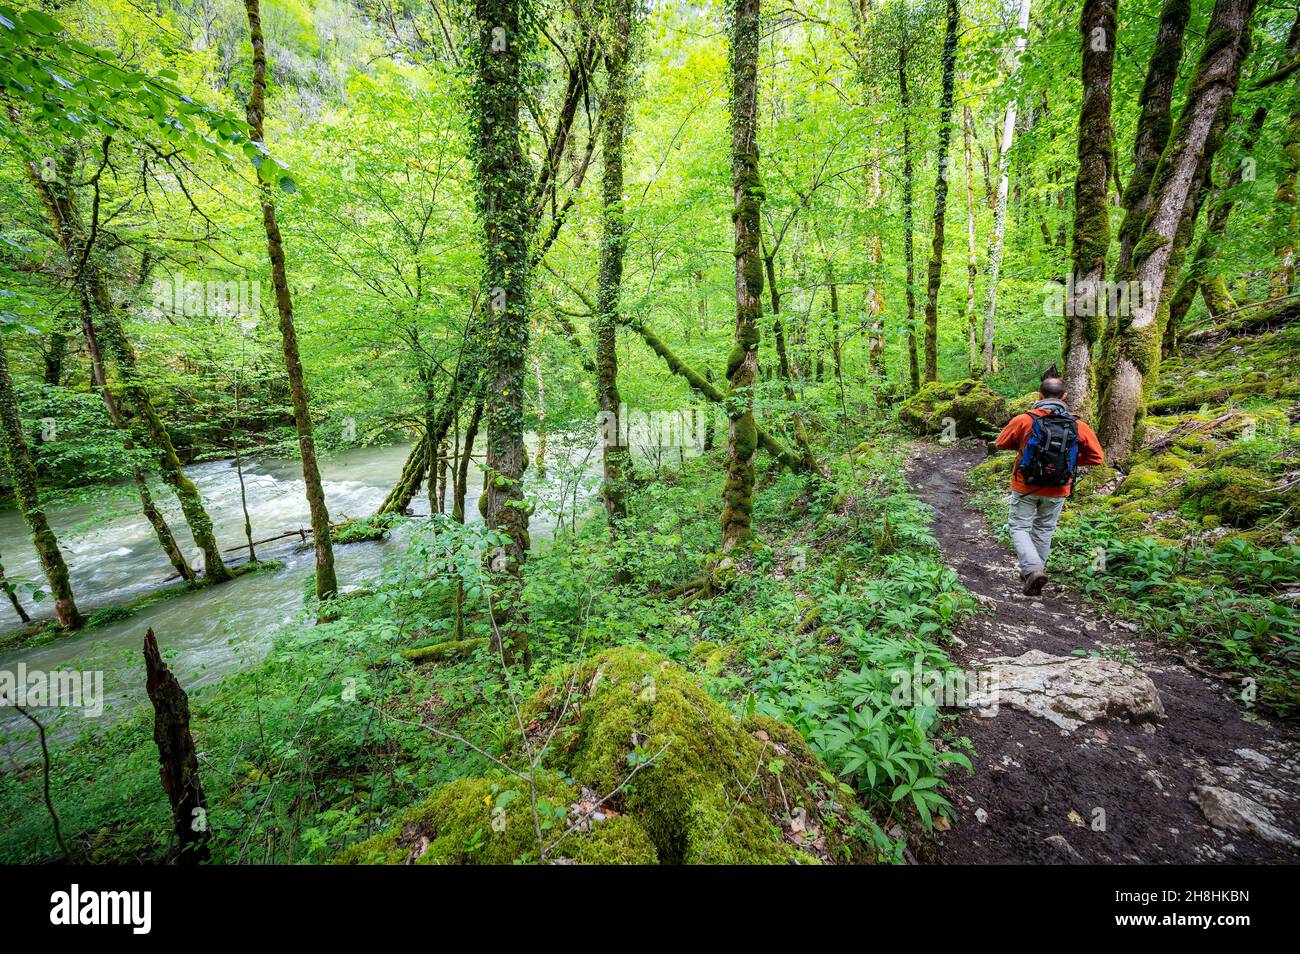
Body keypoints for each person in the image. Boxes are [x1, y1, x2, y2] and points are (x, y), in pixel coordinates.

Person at [994, 376, 1104, 596]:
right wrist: (1068, 462)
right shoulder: (1077, 425)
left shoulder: (1025, 419)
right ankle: (1034, 570)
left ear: (1039, 395)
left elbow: (1000, 443)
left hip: (1026, 484)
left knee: (1019, 527)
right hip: (1059, 486)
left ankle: (1032, 569)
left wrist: (1028, 450)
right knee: (1044, 528)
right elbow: (1096, 457)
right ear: (1064, 397)